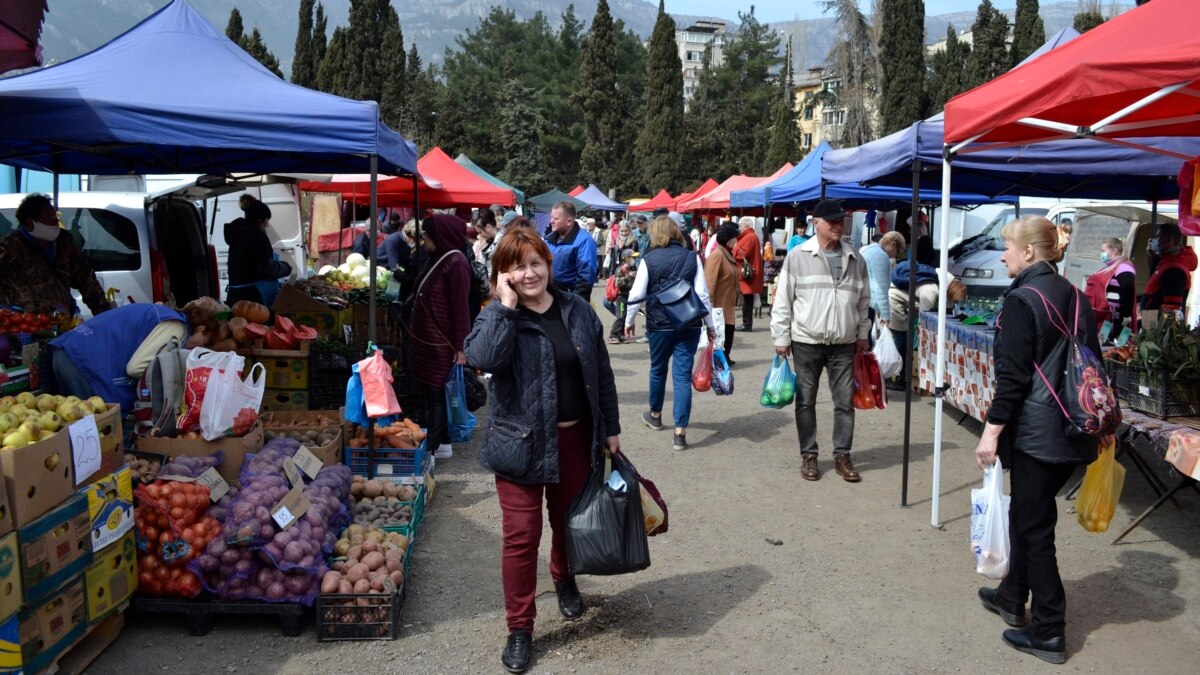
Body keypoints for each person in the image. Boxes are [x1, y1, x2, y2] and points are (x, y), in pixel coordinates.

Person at [463, 227, 621, 674]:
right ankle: (520, 627)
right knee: (520, 537)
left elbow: (602, 373)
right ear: (503, 275)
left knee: (569, 523)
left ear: (549, 265)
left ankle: (564, 577)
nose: (529, 273)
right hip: (520, 447)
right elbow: (483, 359)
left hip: (576, 440)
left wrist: (610, 427)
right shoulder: (498, 315)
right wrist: (505, 308)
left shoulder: (575, 309)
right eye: (517, 266)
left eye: (536, 262)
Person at [974, 215, 1101, 665]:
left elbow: (1012, 379)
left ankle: (1048, 629)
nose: (1004, 254)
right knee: (1029, 516)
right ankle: (1012, 595)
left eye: (1008, 247)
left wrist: (990, 433)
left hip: (1039, 433)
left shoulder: (1022, 299)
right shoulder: (1073, 295)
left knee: (1034, 529)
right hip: (1074, 425)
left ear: (1030, 252)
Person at [771, 199, 870, 483]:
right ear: (817, 223)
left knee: (844, 402)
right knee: (805, 401)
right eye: (833, 221)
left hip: (843, 342)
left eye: (842, 221)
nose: (839, 225)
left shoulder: (855, 258)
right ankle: (809, 455)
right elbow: (783, 301)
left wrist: (862, 334)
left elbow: (863, 302)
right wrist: (781, 336)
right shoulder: (798, 256)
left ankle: (842, 455)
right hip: (806, 340)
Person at [625, 217, 717, 451]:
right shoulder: (691, 257)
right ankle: (680, 432)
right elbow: (702, 295)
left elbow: (636, 294)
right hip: (689, 323)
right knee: (682, 377)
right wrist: (710, 325)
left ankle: (655, 414)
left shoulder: (649, 259)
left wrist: (628, 320)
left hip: (659, 324)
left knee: (657, 370)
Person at [48, 302, 204, 416]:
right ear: (201, 328)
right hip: (83, 364)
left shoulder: (159, 313)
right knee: (98, 427)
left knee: (71, 421)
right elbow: (136, 368)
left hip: (64, 350)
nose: (194, 349)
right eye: (205, 342)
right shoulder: (178, 326)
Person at [408, 215, 472, 461]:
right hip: (427, 342)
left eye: (427, 234)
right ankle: (441, 441)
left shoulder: (456, 262)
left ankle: (433, 447)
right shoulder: (436, 258)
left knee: (436, 392)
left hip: (440, 343)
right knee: (430, 391)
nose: (424, 238)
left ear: (441, 235)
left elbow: (459, 307)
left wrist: (460, 347)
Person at [0, 193, 111, 316]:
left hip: (63, 321)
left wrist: (105, 315)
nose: (56, 221)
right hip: (24, 326)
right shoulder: (9, 248)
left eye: (56, 217)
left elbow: (86, 279)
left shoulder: (64, 241)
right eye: (49, 218)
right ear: (30, 222)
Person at [887, 261, 967, 390]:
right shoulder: (932, 290)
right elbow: (925, 319)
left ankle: (900, 378)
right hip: (895, 305)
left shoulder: (936, 281)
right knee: (901, 343)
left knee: (903, 343)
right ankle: (890, 376)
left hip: (899, 304)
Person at [225, 197, 291, 308]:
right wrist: (286, 267)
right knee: (260, 325)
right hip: (254, 298)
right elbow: (267, 269)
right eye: (267, 220)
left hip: (236, 295)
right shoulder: (257, 237)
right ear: (259, 220)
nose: (267, 225)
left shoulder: (238, 235)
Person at [1140, 223, 1196, 322]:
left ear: (1168, 240)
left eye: (1157, 237)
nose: (1154, 240)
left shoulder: (1174, 269)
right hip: (1150, 320)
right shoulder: (1166, 262)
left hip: (1158, 327)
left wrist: (1150, 327)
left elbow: (1172, 311)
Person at [1084, 237, 1136, 342]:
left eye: (1103, 251)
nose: (1101, 254)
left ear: (1114, 251)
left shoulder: (1124, 267)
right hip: (1104, 318)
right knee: (1102, 345)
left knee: (1113, 347)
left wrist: (1126, 316)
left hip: (1115, 320)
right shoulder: (1111, 267)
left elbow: (1128, 289)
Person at [544, 201, 598, 300]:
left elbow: (586, 277)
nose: (551, 221)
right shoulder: (549, 239)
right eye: (551, 217)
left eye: (555, 218)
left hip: (570, 298)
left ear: (569, 221)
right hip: (549, 297)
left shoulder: (585, 241)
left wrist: (576, 304)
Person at [705, 226, 740, 363]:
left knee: (728, 330)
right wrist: (710, 302)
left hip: (727, 302)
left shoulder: (727, 253)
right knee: (722, 331)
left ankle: (725, 357)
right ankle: (720, 358)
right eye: (734, 238)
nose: (736, 240)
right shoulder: (718, 254)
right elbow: (710, 279)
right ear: (728, 239)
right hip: (719, 303)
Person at [861, 232, 907, 329]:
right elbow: (880, 288)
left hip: (860, 301)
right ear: (892, 244)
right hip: (867, 305)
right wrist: (885, 315)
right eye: (897, 252)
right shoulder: (881, 256)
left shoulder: (867, 249)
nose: (895, 256)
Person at [732, 216, 763, 332]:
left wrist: (734, 250)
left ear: (747, 226)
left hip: (747, 274)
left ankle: (747, 324)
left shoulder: (749, 237)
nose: (739, 228)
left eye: (740, 226)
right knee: (747, 300)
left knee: (747, 300)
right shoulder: (751, 236)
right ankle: (746, 323)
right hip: (749, 273)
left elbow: (742, 255)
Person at [607, 249, 637, 344]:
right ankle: (613, 335)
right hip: (621, 296)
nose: (634, 259)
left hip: (629, 295)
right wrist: (629, 277)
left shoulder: (633, 267)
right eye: (633, 257)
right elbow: (618, 283)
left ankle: (620, 335)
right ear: (626, 259)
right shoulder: (620, 269)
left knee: (625, 316)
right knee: (620, 316)